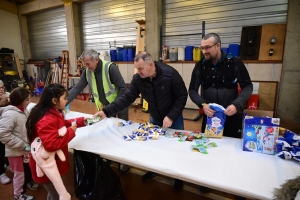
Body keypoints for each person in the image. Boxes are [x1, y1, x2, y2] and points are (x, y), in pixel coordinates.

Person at [94, 52, 188, 190]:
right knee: (154, 146)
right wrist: (106, 111)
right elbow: (127, 98)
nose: (138, 72)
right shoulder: (138, 79)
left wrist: (171, 116)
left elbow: (182, 96)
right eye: (136, 68)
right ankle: (154, 169)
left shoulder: (170, 74)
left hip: (173, 117)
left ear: (151, 64)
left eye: (140, 68)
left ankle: (178, 178)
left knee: (175, 148)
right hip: (155, 117)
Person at [189, 33, 253, 197]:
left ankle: (236, 186)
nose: (204, 51)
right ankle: (207, 179)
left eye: (207, 47)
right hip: (210, 119)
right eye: (202, 48)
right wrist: (202, 104)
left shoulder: (235, 62)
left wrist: (237, 104)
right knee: (209, 149)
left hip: (231, 116)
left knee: (233, 151)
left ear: (218, 46)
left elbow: (247, 87)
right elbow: (192, 90)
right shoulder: (200, 66)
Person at [67, 49, 130, 174]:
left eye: (88, 64)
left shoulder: (110, 68)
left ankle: (124, 162)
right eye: (84, 64)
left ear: (96, 60)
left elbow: (123, 89)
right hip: (104, 108)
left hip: (119, 105)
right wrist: (63, 102)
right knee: (107, 133)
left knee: (121, 133)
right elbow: (77, 88)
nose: (86, 67)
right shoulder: (87, 72)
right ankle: (111, 156)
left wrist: (114, 107)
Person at [26, 83, 86, 200]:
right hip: (47, 168)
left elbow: (63, 124)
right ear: (54, 100)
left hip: (53, 164)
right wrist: (71, 132)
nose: (66, 100)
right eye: (64, 98)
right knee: (58, 196)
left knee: (52, 194)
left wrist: (82, 121)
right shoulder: (47, 118)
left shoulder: (54, 112)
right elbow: (51, 145)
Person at [0, 87, 34, 200]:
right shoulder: (10, 114)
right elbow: (3, 134)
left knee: (26, 170)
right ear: (21, 100)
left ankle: (27, 183)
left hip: (24, 149)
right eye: (28, 99)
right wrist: (23, 145)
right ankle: (18, 195)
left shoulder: (24, 110)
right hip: (15, 151)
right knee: (19, 174)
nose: (29, 101)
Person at [0, 84, 11, 185]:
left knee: (7, 148)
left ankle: (8, 164)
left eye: (2, 87)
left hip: (7, 129)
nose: (1, 89)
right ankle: (1, 173)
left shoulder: (8, 95)